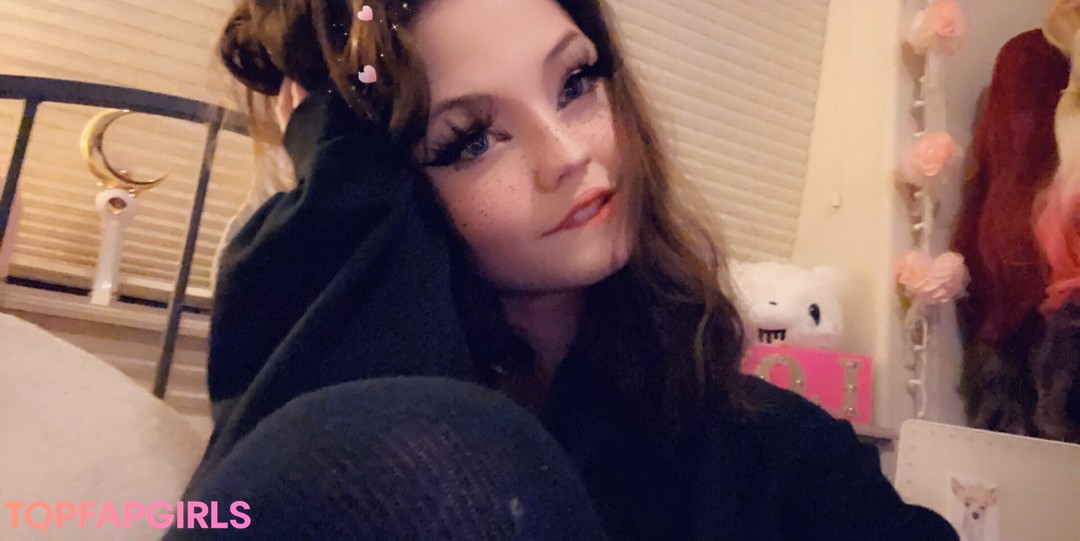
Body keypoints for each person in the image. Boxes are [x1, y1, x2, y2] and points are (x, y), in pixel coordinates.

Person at [169, 0, 959, 539]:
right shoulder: (399, 454)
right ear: (389, 183)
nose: (568, 154)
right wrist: (342, 155)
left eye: (575, 83)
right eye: (472, 139)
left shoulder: (779, 450)